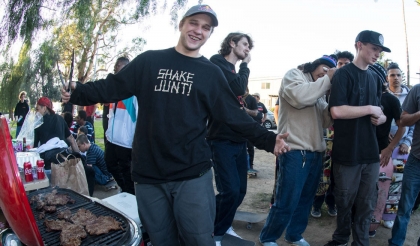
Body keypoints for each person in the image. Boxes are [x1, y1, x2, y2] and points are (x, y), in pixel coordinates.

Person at [61, 4, 289, 246]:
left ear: (210, 34)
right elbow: (111, 87)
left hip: (192, 174)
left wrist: (268, 139)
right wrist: (78, 92)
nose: (198, 31)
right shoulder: (150, 61)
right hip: (149, 176)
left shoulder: (211, 74)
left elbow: (233, 116)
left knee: (199, 240)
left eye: (206, 27)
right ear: (181, 24)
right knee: (162, 241)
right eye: (193, 23)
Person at [259, 54, 337, 246]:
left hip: (316, 153)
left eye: (329, 72)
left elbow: (327, 121)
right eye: (324, 70)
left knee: (306, 199)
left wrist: (334, 95)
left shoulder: (318, 91)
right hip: (295, 151)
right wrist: (328, 80)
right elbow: (300, 97)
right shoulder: (295, 75)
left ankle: (294, 235)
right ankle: (268, 237)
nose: (325, 74)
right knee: (287, 199)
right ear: (314, 65)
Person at [324, 30, 388, 246]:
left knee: (366, 204)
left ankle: (360, 242)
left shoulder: (375, 77)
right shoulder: (343, 74)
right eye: (374, 48)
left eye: (380, 50)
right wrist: (370, 108)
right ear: (359, 45)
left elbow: (381, 110)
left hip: (370, 153)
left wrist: (381, 117)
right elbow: (337, 112)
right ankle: (341, 238)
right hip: (347, 152)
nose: (377, 54)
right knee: (344, 201)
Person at [207, 32, 254, 244]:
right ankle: (214, 232)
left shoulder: (232, 69)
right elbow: (238, 88)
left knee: (240, 191)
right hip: (221, 139)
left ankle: (223, 225)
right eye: (244, 45)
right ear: (232, 43)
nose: (247, 50)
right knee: (230, 191)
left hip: (238, 139)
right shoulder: (217, 63)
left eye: (249, 46)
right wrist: (246, 66)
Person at [388, 48, 420, 246]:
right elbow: (403, 120)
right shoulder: (419, 90)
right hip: (416, 161)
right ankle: (396, 243)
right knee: (404, 208)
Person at [311, 50, 355, 218]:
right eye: (340, 64)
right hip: (323, 136)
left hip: (343, 138)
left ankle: (331, 203)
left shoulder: (350, 86)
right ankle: (316, 205)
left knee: (337, 175)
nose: (343, 67)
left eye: (346, 64)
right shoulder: (324, 82)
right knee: (323, 172)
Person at [367, 63, 406, 237]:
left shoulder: (390, 99)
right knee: (361, 193)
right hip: (359, 154)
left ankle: (372, 226)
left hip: (382, 153)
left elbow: (402, 126)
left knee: (382, 192)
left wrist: (390, 147)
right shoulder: (360, 96)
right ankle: (359, 223)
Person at [104, 56, 137, 195]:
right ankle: (124, 189)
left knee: (126, 170)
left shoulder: (134, 92)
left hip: (126, 142)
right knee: (109, 163)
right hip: (112, 138)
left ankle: (130, 193)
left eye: (121, 69)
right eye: (116, 69)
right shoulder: (114, 90)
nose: (118, 73)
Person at [33, 97, 80, 175]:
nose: (36, 112)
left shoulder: (38, 123)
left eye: (37, 109)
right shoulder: (60, 119)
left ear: (44, 108)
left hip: (48, 165)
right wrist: (79, 159)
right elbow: (71, 139)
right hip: (63, 160)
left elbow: (34, 147)